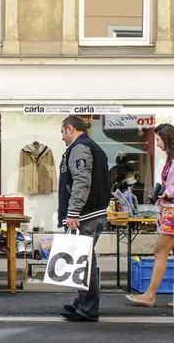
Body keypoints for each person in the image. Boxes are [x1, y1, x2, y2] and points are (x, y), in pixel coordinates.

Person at [126, 124, 174, 307]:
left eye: (158, 140)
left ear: (167, 138)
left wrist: (170, 192)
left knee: (160, 251)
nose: (157, 144)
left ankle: (150, 295)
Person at [58, 115, 111, 323]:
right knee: (85, 260)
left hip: (85, 215)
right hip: (94, 213)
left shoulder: (80, 148)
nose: (62, 137)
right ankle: (83, 303)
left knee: (84, 262)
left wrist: (73, 212)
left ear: (70, 128)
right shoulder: (94, 147)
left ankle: (88, 308)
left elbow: (81, 180)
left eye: (63, 132)